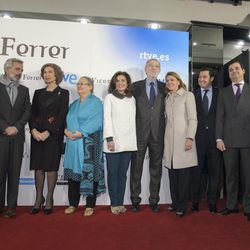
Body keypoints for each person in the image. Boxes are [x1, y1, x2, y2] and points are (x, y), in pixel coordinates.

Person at [29, 63, 69, 215]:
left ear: (56, 74)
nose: (47, 74)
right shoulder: (38, 92)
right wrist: (33, 130)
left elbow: (61, 115)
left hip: (53, 136)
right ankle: (39, 198)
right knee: (38, 168)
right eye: (45, 72)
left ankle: (50, 198)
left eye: (50, 72)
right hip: (36, 136)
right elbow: (32, 114)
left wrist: (48, 132)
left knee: (51, 167)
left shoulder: (63, 93)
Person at [64, 76, 105, 217]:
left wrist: (81, 132)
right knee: (73, 174)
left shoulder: (96, 103)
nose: (80, 86)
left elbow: (98, 122)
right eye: (79, 83)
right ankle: (72, 203)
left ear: (90, 87)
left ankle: (90, 205)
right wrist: (66, 131)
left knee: (89, 173)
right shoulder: (74, 104)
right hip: (73, 143)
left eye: (83, 84)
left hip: (89, 143)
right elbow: (67, 121)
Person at [216, 60, 250, 221]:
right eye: (231, 70)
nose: (234, 71)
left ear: (243, 71)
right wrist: (218, 138)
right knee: (230, 175)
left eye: (237, 69)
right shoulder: (223, 92)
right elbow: (219, 117)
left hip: (248, 141)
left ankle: (248, 206)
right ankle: (231, 205)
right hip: (228, 141)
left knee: (248, 176)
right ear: (228, 74)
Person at [130, 59, 165, 213]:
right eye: (150, 65)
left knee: (156, 169)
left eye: (156, 66)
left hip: (158, 134)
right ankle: (135, 200)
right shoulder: (136, 86)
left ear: (159, 70)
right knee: (136, 168)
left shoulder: (165, 87)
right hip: (139, 134)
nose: (153, 68)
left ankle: (154, 200)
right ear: (145, 68)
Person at [164, 71, 197, 217]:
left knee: (183, 176)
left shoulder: (188, 95)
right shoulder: (167, 97)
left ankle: (182, 206)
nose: (169, 82)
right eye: (167, 80)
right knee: (173, 176)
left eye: (172, 79)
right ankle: (175, 202)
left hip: (184, 141)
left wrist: (190, 137)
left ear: (179, 81)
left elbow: (193, 119)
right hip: (170, 143)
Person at [0, 58, 31, 218]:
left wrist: (16, 127)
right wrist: (4, 127)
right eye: (17, 69)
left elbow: (27, 111)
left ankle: (12, 207)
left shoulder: (24, 90)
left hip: (17, 137)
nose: (20, 72)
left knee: (14, 173)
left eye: (21, 70)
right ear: (7, 69)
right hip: (1, 136)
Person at [103, 71, 137, 215]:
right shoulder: (109, 98)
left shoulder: (132, 99)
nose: (121, 83)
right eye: (118, 81)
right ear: (114, 83)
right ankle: (114, 203)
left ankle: (120, 203)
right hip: (114, 142)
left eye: (123, 80)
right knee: (113, 174)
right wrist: (109, 139)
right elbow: (107, 119)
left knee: (122, 174)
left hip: (128, 142)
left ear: (127, 83)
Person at [190, 68, 222, 213]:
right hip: (197, 139)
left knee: (215, 173)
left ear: (211, 78)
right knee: (196, 173)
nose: (201, 79)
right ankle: (195, 202)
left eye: (204, 77)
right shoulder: (192, 95)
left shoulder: (220, 94)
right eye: (199, 77)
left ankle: (212, 203)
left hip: (215, 140)